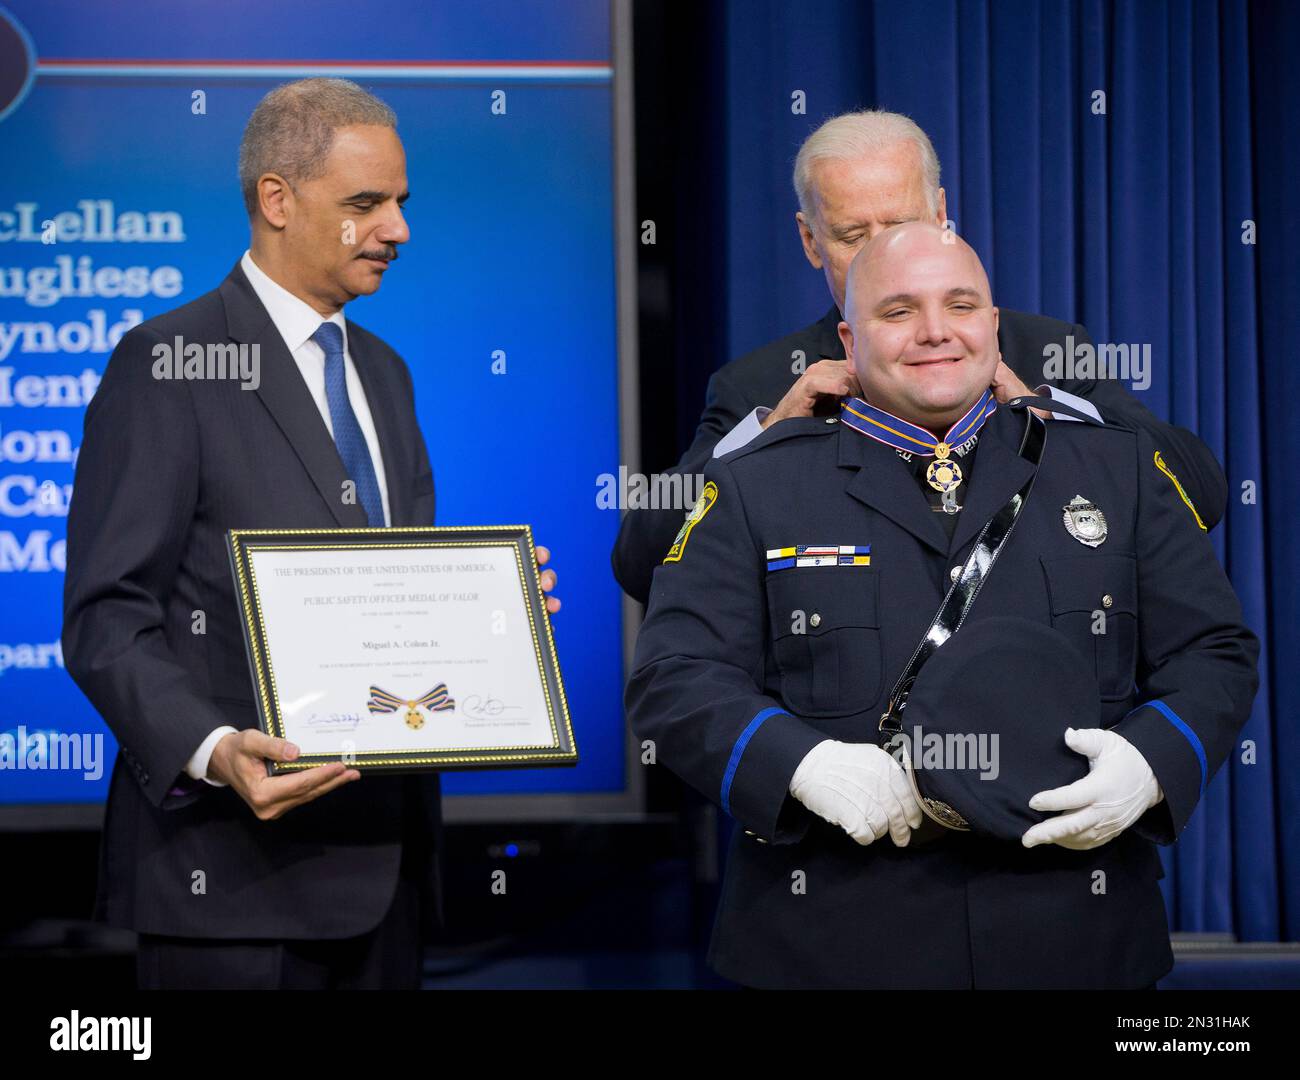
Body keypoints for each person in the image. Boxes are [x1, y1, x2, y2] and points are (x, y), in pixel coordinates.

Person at [624, 222, 1258, 989]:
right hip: (832, 941)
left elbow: (1214, 651)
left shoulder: (1115, 465)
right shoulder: (755, 484)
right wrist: (797, 762)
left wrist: (1152, 760)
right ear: (850, 343)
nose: (934, 332)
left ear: (993, 327)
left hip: (1076, 934)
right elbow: (675, 675)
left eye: (960, 305)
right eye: (899, 312)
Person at [61, 78, 559, 990]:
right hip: (233, 886)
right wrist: (213, 751)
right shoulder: (165, 362)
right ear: (277, 200)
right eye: (366, 204)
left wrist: (493, 616)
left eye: (402, 202)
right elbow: (104, 619)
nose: (398, 229)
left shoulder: (386, 372)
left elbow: (394, 601)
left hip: (390, 880)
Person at [612, 110, 1226, 603]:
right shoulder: (761, 385)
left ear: (941, 215)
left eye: (903, 224)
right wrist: (764, 438)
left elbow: (1202, 497)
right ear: (810, 240)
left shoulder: (1048, 351)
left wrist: (1050, 408)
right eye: (855, 237)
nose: (886, 258)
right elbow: (642, 566)